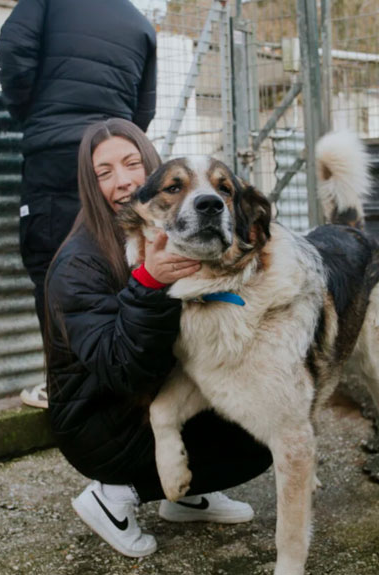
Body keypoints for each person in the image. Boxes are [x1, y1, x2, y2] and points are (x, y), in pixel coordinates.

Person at [43, 118, 273, 558]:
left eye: (132, 164)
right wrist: (147, 284)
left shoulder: (174, 234)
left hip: (152, 395)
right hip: (102, 421)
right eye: (103, 173)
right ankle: (113, 496)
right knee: (249, 443)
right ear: (90, 187)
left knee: (259, 419)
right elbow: (123, 372)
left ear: (152, 169)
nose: (124, 181)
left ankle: (184, 495)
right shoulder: (78, 264)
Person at [0, 0, 158, 409]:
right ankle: (122, 377)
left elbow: (13, 49)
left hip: (54, 155)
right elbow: (144, 109)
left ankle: (63, 387)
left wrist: (30, 113)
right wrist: (118, 144)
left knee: (51, 267)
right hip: (113, 159)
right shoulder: (139, 23)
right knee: (115, 260)